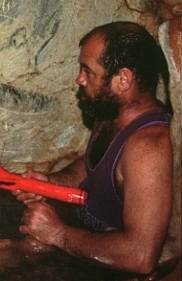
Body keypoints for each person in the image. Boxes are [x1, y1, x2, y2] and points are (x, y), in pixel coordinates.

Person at [14, 21, 173, 277]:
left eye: (88, 71)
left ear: (123, 79)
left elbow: (140, 256)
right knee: (4, 253)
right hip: (82, 230)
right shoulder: (111, 113)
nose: (80, 79)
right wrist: (53, 183)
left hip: (110, 259)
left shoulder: (148, 148)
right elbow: (95, 165)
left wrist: (57, 234)